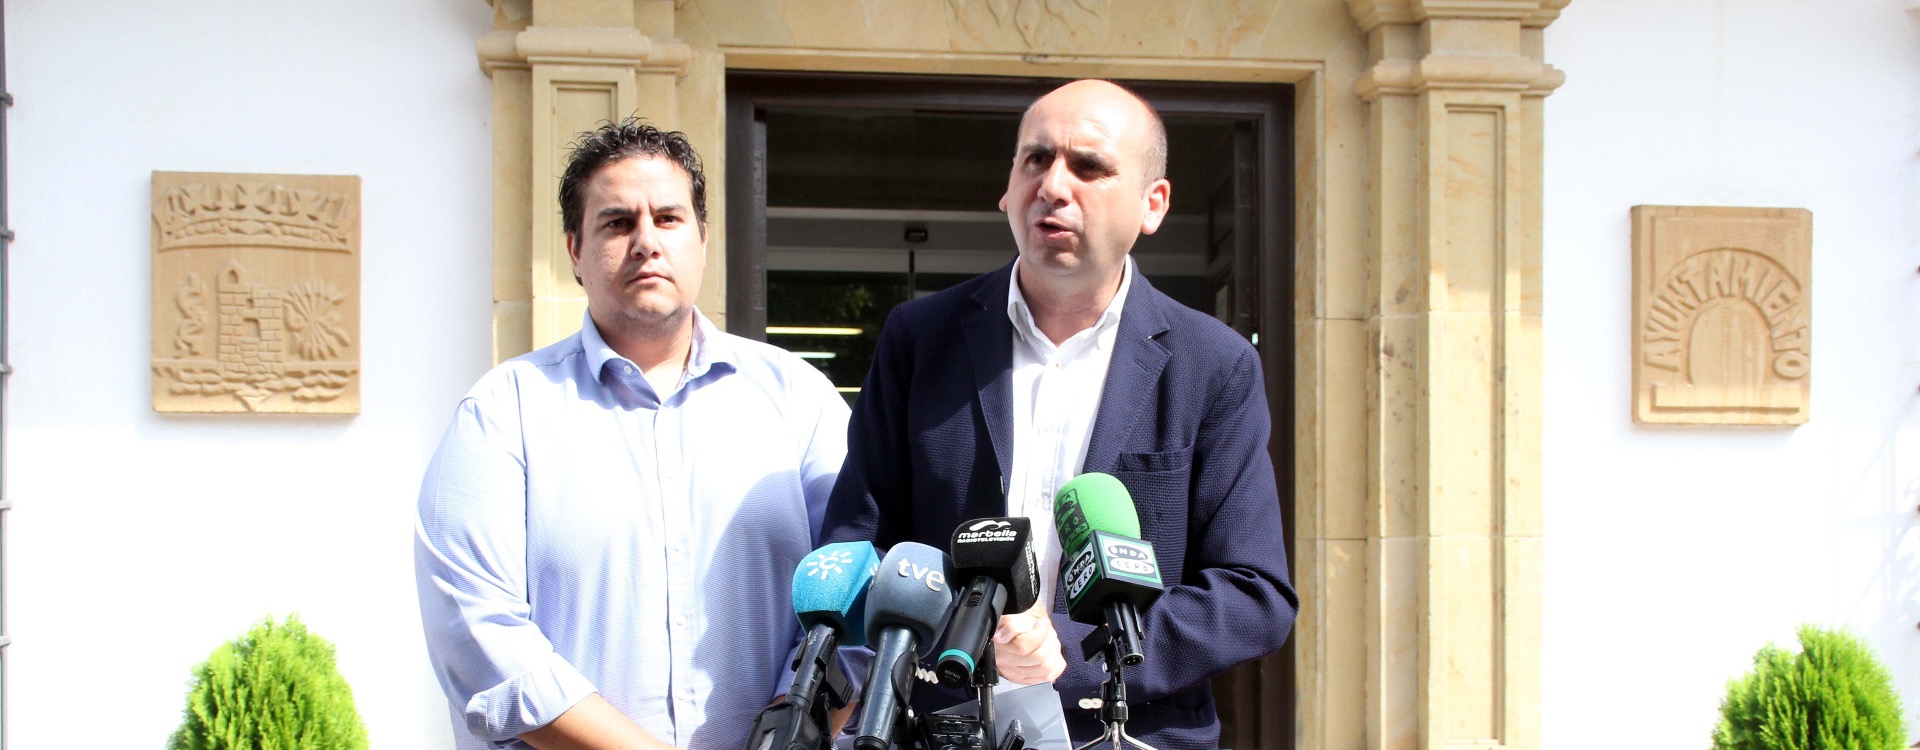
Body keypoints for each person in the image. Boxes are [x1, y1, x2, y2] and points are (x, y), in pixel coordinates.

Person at [820, 79, 1297, 750]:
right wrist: (940, 642)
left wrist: (1073, 650)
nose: (1053, 185)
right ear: (1007, 189)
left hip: (1129, 732)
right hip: (940, 726)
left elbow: (1252, 596)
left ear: (1153, 204)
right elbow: (857, 546)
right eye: (1036, 160)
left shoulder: (1214, 365)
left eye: (1089, 166)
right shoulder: (920, 339)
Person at [415, 120, 850, 750]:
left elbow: (860, 590)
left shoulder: (799, 400)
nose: (647, 241)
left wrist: (794, 729)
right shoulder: (502, 413)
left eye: (668, 219)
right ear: (574, 251)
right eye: (618, 223)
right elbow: (478, 636)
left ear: (702, 238)